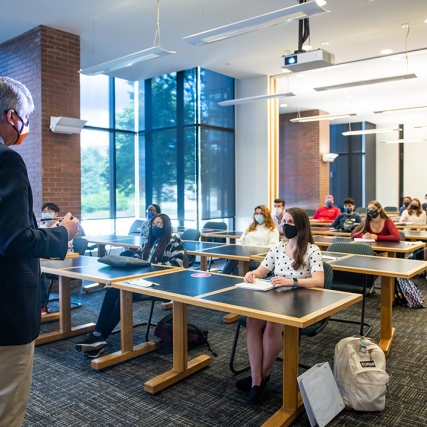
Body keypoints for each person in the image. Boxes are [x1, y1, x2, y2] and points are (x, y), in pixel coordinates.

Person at [0, 76, 80, 426]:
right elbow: (14, 240)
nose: (26, 128)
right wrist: (63, 232)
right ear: (11, 116)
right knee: (8, 406)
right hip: (6, 312)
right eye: (27, 119)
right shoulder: (7, 161)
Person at [236, 207, 324, 403]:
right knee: (252, 321)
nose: (285, 225)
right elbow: (262, 270)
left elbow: (319, 281)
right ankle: (257, 379)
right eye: (284, 221)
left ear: (300, 225)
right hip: (274, 297)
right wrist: (252, 275)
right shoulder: (277, 247)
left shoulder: (312, 250)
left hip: (299, 301)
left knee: (272, 327)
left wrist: (292, 282)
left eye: (290, 222)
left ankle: (260, 378)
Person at [75, 214, 185, 358]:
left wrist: (151, 267)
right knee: (112, 291)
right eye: (154, 224)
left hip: (160, 284)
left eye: (159, 224)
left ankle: (100, 338)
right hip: (140, 281)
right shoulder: (148, 242)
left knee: (123, 296)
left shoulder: (175, 242)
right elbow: (137, 259)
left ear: (167, 226)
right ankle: (97, 334)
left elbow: (177, 264)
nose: (156, 227)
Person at [221, 205, 280, 275]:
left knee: (235, 264)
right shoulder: (251, 227)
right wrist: (240, 251)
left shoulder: (272, 229)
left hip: (260, 260)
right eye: (256, 213)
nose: (258, 215)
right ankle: (226, 278)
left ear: (266, 215)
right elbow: (241, 241)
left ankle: (222, 276)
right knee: (234, 260)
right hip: (244, 256)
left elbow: (273, 246)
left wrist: (255, 250)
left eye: (261, 213)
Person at [39, 202, 75, 313]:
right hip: (45, 260)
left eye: (50, 211)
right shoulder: (41, 227)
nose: (46, 214)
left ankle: (42, 305)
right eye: (44, 212)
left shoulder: (62, 228)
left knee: (41, 273)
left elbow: (65, 248)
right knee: (35, 269)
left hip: (63, 260)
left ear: (56, 213)